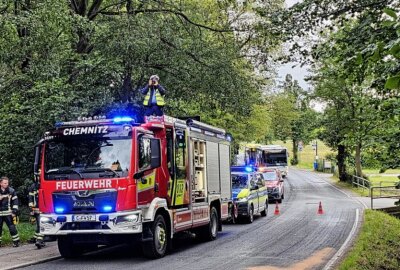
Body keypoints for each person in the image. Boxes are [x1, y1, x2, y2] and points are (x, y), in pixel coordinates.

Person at [0, 176, 20, 247]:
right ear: (1, 183)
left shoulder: (11, 191)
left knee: (12, 228)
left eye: (7, 183)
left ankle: (16, 242)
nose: (6, 184)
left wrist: (14, 211)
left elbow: (15, 202)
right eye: (5, 183)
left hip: (8, 213)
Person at [28, 180, 45, 248]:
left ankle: (39, 240)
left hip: (44, 209)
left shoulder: (45, 184)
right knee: (39, 225)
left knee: (41, 225)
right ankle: (36, 238)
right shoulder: (33, 186)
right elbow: (30, 199)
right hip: (36, 209)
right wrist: (31, 209)